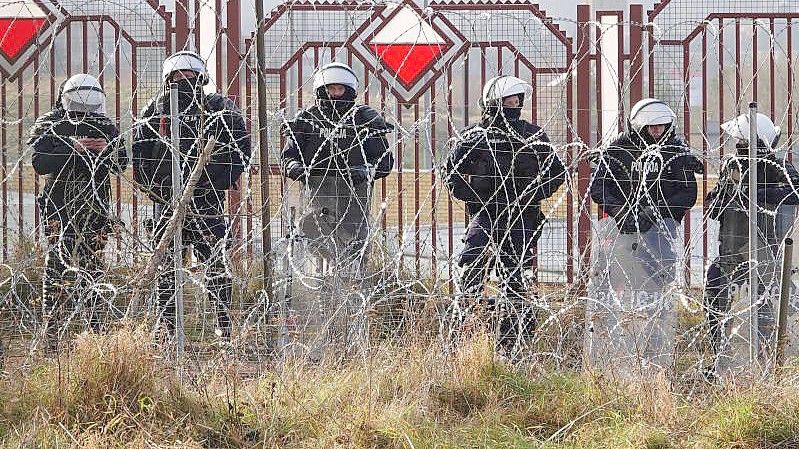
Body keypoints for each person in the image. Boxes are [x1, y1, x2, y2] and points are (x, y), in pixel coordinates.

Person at [444, 75, 566, 357]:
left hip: (523, 214)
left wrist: (533, 194)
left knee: (515, 275)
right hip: (487, 213)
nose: (515, 105)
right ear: (494, 103)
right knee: (472, 265)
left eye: (517, 100)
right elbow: (451, 172)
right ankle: (466, 333)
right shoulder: (477, 136)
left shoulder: (532, 135)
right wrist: (477, 197)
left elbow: (556, 172)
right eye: (508, 101)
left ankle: (512, 342)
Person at [132, 51, 250, 339]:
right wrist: (157, 190)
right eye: (177, 76)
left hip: (207, 198)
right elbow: (139, 156)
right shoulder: (156, 110)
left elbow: (240, 149)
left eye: (190, 76)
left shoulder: (217, 107)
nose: (184, 81)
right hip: (167, 202)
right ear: (168, 79)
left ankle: (224, 323)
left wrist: (219, 178)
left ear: (201, 79)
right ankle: (169, 327)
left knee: (215, 261)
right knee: (167, 265)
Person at [279, 62, 394, 359]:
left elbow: (384, 159)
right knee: (321, 268)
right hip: (318, 202)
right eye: (329, 88)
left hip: (354, 202)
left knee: (352, 266)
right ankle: (325, 326)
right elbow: (289, 154)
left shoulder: (364, 118)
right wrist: (295, 167)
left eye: (340, 89)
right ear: (321, 90)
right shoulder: (307, 120)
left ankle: (352, 328)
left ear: (350, 91)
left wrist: (366, 169)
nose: (334, 94)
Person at [587, 98, 702, 374]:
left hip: (660, 233)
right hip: (619, 232)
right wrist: (619, 211)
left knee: (656, 292)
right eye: (651, 127)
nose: (657, 132)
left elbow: (687, 193)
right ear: (639, 125)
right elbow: (598, 187)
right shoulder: (619, 150)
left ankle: (654, 352)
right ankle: (617, 350)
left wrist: (658, 212)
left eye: (662, 126)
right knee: (619, 290)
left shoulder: (675, 152)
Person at [29, 74, 128, 351]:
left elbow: (122, 163)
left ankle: (94, 333)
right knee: (56, 268)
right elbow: (39, 162)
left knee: (93, 270)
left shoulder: (105, 126)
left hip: (95, 210)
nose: (85, 114)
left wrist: (106, 150)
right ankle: (52, 333)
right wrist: (73, 148)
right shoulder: (52, 123)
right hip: (58, 209)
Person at [704, 112, 799, 375]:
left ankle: (767, 360)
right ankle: (721, 356)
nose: (738, 147)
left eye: (743, 142)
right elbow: (714, 202)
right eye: (738, 142)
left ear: (758, 143)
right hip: (731, 250)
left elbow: (796, 190)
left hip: (764, 251)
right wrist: (721, 201)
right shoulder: (732, 167)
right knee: (714, 292)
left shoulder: (777, 168)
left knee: (764, 306)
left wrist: (760, 194)